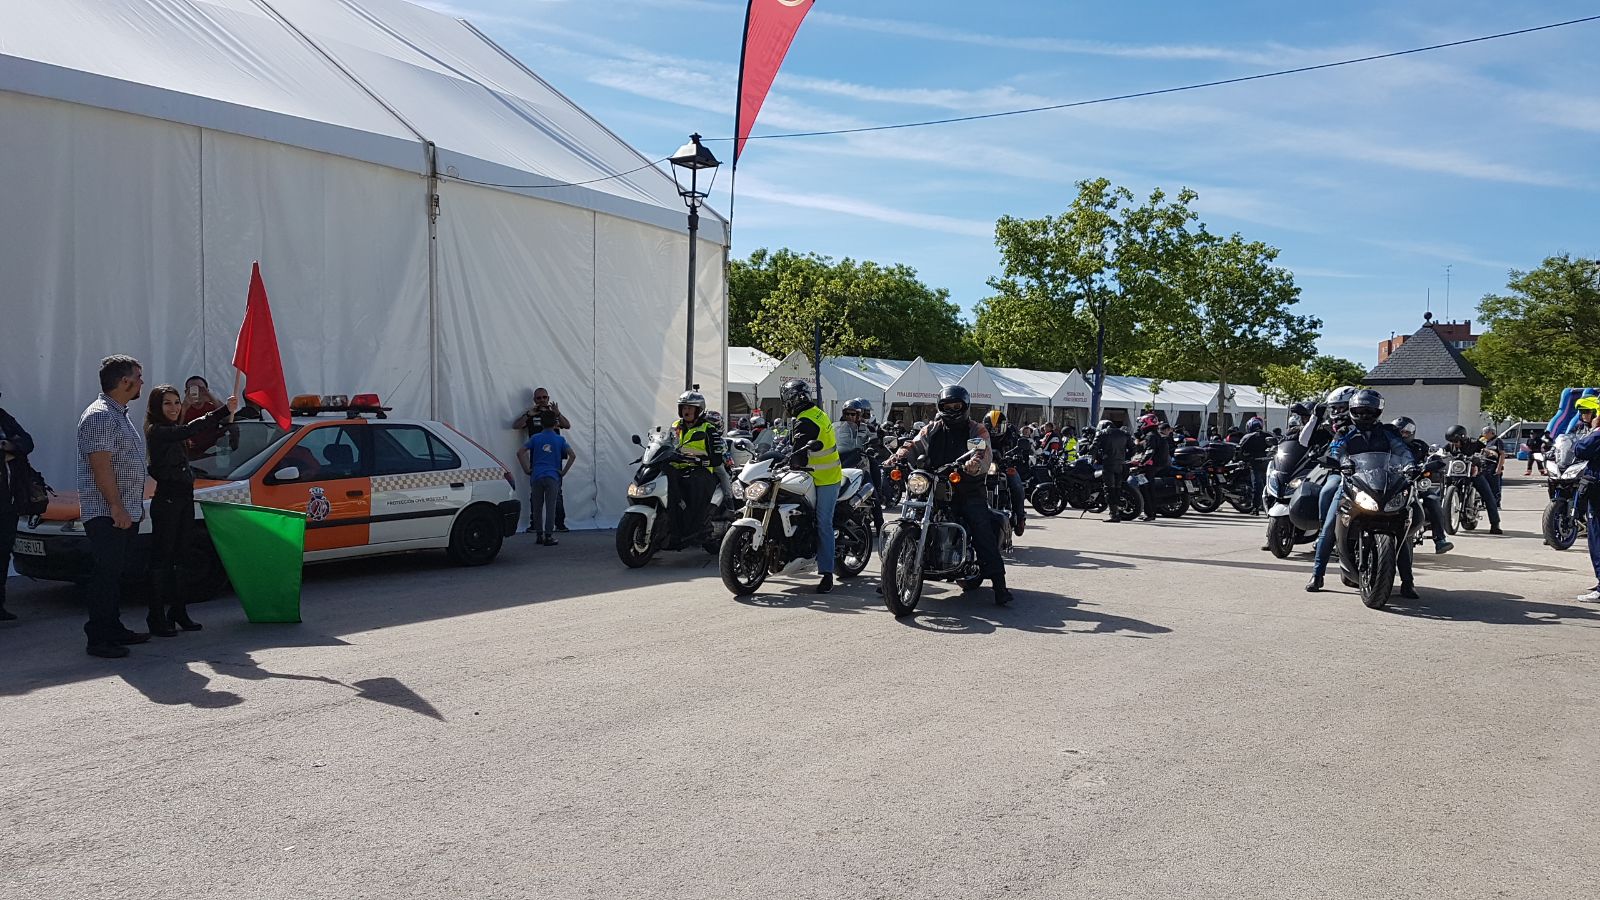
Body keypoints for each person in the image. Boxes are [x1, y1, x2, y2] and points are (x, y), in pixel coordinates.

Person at [891, 386, 1011, 605]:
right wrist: (899, 456)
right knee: (912, 515)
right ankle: (891, 576)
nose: (952, 410)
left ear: (965, 407)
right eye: (948, 406)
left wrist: (975, 464)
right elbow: (914, 444)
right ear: (940, 407)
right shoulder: (932, 428)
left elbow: (982, 452)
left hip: (967, 489)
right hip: (934, 485)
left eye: (957, 406)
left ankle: (999, 584)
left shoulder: (976, 429)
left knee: (981, 527)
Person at [145, 383, 238, 634]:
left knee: (182, 559)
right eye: (167, 403)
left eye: (177, 402)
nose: (173, 408)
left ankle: (178, 611)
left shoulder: (176, 432)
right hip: (167, 502)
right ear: (156, 407)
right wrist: (221, 412)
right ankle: (156, 616)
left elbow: (194, 438)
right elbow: (190, 428)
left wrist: (225, 428)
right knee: (162, 561)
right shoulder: (157, 431)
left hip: (184, 499)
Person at [1308, 389, 1421, 597]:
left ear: (1378, 411)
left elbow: (1402, 450)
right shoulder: (1345, 431)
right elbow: (1336, 449)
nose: (1364, 415)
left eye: (1369, 411)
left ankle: (1408, 582)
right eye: (1360, 410)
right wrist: (1343, 461)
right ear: (1352, 410)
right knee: (1330, 526)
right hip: (1352, 481)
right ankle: (1317, 575)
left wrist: (1410, 465)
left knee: (1402, 530)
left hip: (1383, 482)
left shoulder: (1388, 432)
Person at [78, 355, 150, 658]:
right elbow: (101, 466)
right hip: (107, 513)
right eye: (138, 377)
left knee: (115, 574)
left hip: (123, 511)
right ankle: (98, 638)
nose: (142, 383)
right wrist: (116, 507)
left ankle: (113, 627)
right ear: (124, 381)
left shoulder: (119, 414)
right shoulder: (100, 416)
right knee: (105, 575)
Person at [781, 380, 841, 594]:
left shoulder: (807, 420)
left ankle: (827, 573)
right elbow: (791, 444)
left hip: (826, 478)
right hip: (808, 475)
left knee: (823, 522)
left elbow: (800, 448)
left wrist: (794, 461)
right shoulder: (814, 413)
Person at [1304, 386, 1357, 592]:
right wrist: (1315, 417)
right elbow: (1304, 441)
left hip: (1368, 478)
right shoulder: (1333, 428)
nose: (1337, 412)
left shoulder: (1375, 428)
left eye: (1342, 407)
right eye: (1334, 408)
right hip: (1341, 474)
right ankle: (1317, 574)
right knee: (1328, 494)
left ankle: (1406, 580)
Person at [669, 390, 724, 545]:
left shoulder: (708, 428)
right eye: (683, 407)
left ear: (698, 410)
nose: (686, 411)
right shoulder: (675, 426)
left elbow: (717, 458)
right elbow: (667, 443)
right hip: (677, 467)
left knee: (694, 487)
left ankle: (694, 529)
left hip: (700, 470)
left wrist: (701, 460)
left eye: (690, 408)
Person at [513, 388, 572, 532]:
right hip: (537, 460)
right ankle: (535, 525)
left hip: (555, 460)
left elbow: (567, 425)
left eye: (544, 397)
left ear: (548, 398)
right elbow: (516, 426)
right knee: (536, 494)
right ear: (534, 400)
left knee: (557, 493)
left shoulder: (553, 414)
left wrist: (558, 413)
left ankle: (560, 523)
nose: (542, 400)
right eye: (539, 398)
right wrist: (528, 414)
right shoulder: (531, 414)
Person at [1393, 416, 1453, 555]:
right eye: (1399, 432)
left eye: (1406, 432)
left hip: (1416, 484)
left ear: (1412, 432)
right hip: (1393, 485)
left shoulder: (1419, 446)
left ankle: (1440, 539)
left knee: (1433, 500)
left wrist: (1433, 462)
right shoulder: (1387, 446)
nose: (1402, 435)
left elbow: (1432, 457)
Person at [1, 397, 37, 622]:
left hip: (8, 499)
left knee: (3, 551)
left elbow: (27, 442)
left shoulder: (3, 417)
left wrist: (9, 446)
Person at [517, 411, 576, 546]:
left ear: (541, 424)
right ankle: (548, 536)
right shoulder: (560, 440)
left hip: (536, 475)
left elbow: (520, 452)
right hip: (552, 476)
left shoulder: (535, 438)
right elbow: (572, 455)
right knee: (551, 506)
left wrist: (527, 469)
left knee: (537, 507)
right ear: (555, 424)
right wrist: (563, 472)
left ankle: (539, 534)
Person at [1442, 425, 1503, 534]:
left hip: (1474, 473)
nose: (1454, 444)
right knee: (1438, 491)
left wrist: (1489, 453)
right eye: (1451, 441)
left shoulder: (1474, 443)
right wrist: (1436, 454)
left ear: (1462, 438)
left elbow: (1486, 450)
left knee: (1488, 496)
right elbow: (1442, 452)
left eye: (1456, 441)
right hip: (1456, 473)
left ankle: (1495, 524)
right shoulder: (1450, 446)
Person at [985, 410, 1027, 536]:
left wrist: (1018, 455)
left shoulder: (1011, 434)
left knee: (1017, 485)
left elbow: (1019, 447)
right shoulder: (981, 434)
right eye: (991, 428)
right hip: (985, 467)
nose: (994, 431)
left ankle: (1020, 518)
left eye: (998, 428)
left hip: (1005, 465)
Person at [179, 375, 237, 459]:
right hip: (191, 452)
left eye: (201, 389)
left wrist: (211, 398)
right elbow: (176, 430)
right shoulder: (181, 409)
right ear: (186, 392)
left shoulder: (213, 406)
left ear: (207, 390)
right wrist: (184, 408)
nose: (198, 392)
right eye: (192, 389)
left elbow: (229, 419)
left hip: (212, 450)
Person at [1129, 414, 1170, 522]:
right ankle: (1151, 513)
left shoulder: (1150, 436)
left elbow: (1149, 452)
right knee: (1149, 489)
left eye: (1142, 423)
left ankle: (1149, 513)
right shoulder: (1156, 435)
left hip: (1150, 467)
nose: (1140, 426)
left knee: (1146, 489)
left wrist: (1141, 463)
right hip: (1156, 466)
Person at [1091, 418, 1132, 523]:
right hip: (1121, 464)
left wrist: (1094, 458)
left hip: (1108, 464)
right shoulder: (1124, 433)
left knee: (1109, 489)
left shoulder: (1102, 433)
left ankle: (1114, 514)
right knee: (1117, 488)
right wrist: (1125, 457)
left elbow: (1093, 448)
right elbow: (1133, 448)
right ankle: (1117, 512)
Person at [1236, 417, 1273, 514]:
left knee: (1257, 485)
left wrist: (1245, 458)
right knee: (1264, 483)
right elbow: (1276, 445)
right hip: (1266, 463)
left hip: (1255, 463)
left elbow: (1239, 451)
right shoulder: (1267, 435)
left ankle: (1255, 507)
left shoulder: (1247, 437)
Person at [1480, 426, 1506, 503]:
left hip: (1493, 466)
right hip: (1484, 466)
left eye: (1485, 433)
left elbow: (1502, 454)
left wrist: (1499, 468)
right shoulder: (1484, 441)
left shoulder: (1497, 440)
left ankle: (1496, 503)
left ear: (1491, 433)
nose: (1483, 435)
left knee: (1495, 487)